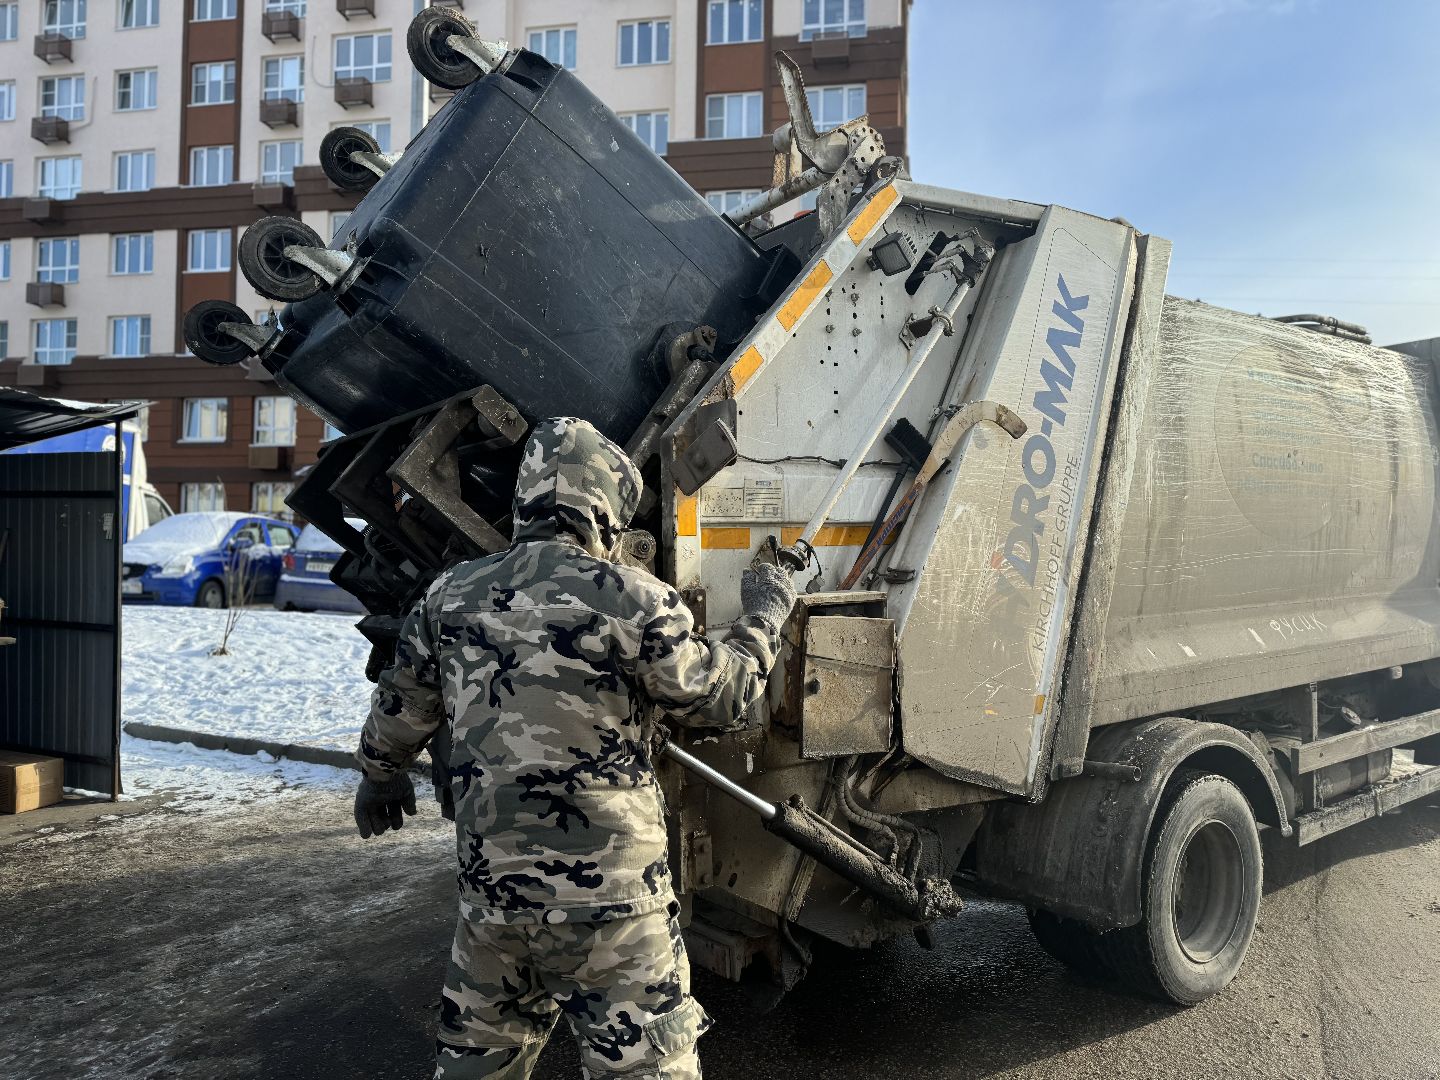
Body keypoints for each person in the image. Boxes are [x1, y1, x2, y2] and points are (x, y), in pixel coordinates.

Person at [352, 416, 796, 1079]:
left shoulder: (449, 597)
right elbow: (720, 699)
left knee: (478, 1068)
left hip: (496, 904)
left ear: (525, 500)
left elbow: (402, 708)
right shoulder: (637, 601)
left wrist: (379, 774)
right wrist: (766, 613)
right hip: (615, 908)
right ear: (606, 510)